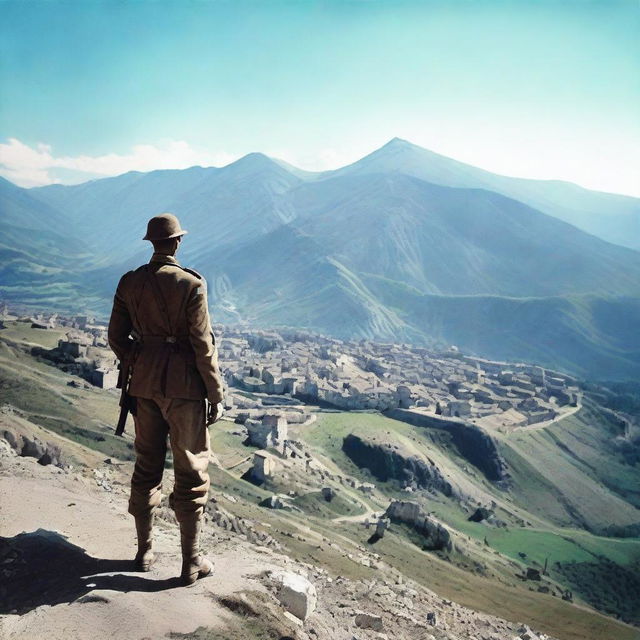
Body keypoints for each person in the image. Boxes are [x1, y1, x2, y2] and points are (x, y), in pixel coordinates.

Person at [108, 213, 224, 585]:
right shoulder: (191, 284)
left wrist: (138, 361)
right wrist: (215, 392)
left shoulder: (130, 282)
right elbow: (202, 345)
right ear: (177, 243)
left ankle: (144, 551)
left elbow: (116, 336)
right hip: (184, 389)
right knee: (190, 473)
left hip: (142, 387)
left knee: (146, 466)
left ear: (151, 243)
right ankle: (190, 562)